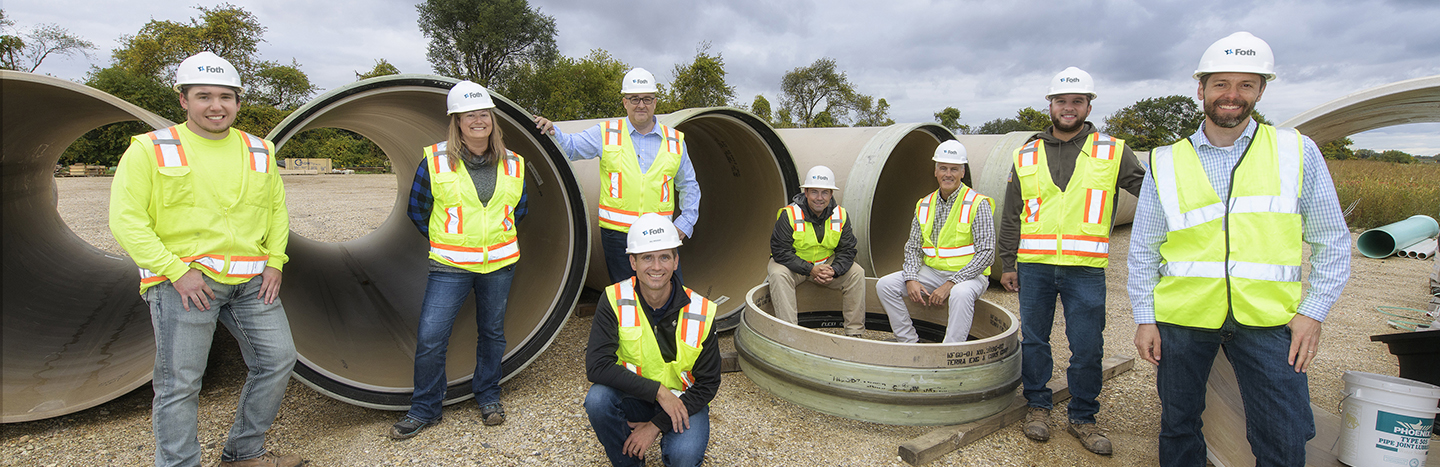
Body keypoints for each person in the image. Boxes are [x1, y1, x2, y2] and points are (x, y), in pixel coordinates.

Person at [1129, 32, 1350, 466]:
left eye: (1246, 85)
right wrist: (1144, 318)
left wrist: (1313, 312)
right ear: (1201, 90)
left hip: (1269, 320)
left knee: (1283, 433)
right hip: (1183, 318)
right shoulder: (1165, 160)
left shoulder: (1296, 151)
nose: (1232, 95)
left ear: (1261, 90)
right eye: (1221, 84)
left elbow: (1333, 239)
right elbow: (1143, 249)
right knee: (1179, 425)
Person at [109, 51, 300, 467]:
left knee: (278, 360)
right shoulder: (151, 149)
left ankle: (243, 453)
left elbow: (276, 210)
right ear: (183, 100)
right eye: (204, 96)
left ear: (237, 100)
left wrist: (275, 261)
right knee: (180, 383)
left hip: (252, 283)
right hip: (186, 286)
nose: (216, 106)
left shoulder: (259, 149)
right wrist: (176, 272)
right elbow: (126, 222)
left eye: (226, 97)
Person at [996, 66, 1146, 455]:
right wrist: (1007, 263)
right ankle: (1038, 408)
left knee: (1087, 345)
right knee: (1034, 340)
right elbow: (1013, 212)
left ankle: (1083, 416)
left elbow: (1150, 192)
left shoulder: (1112, 150)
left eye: (1076, 101)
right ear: (1050, 105)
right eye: (1061, 101)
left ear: (1088, 105)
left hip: (1085, 268)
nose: (1068, 108)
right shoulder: (1026, 153)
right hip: (1035, 265)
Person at [390, 81, 530, 439]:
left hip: (498, 264)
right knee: (432, 336)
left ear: (492, 120)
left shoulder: (513, 164)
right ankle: (425, 408)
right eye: (469, 116)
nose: (478, 121)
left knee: (492, 334)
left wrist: (491, 238)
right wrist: (446, 240)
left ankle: (488, 396)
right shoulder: (435, 160)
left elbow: (520, 211)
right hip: (450, 264)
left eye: (483, 114)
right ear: (456, 122)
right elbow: (417, 209)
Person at [531, 68, 701, 283]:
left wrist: (684, 224)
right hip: (618, 236)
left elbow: (688, 185)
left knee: (669, 296)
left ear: (655, 102)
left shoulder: (675, 140)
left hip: (660, 234)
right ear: (625, 102)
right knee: (627, 299)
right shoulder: (606, 133)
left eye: (647, 99)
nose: (641, 105)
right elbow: (571, 148)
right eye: (634, 99)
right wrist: (553, 131)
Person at [583, 213, 720, 467]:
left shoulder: (701, 311)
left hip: (683, 401)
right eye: (647, 257)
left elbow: (708, 383)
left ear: (676, 261)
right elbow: (597, 366)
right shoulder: (613, 299)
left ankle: (667, 439)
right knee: (598, 401)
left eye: (664, 257)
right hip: (635, 396)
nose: (656, 267)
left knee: (684, 457)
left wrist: (656, 425)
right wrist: (658, 392)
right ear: (633, 262)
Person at [876, 141, 994, 344]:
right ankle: (909, 342)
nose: (948, 174)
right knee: (885, 285)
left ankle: (950, 352)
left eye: (954, 169)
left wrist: (951, 283)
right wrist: (911, 278)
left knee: (960, 293)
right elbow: (913, 247)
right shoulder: (924, 204)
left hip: (969, 276)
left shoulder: (977, 203)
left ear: (962, 172)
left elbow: (987, 253)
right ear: (935, 171)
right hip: (932, 272)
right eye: (943, 168)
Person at [766, 166, 866, 334]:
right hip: (794, 266)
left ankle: (855, 333)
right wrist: (810, 269)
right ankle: (790, 334)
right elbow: (780, 251)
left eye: (825, 193)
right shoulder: (789, 215)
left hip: (826, 263)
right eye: (814, 192)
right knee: (777, 274)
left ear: (831, 194)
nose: (819, 198)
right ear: (805, 192)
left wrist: (834, 271)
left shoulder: (841, 215)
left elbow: (847, 250)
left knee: (857, 273)